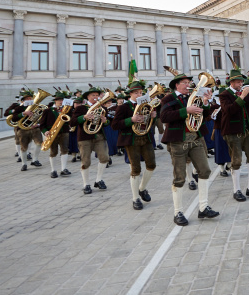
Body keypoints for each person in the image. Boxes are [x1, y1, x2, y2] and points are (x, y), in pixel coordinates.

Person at [160, 67, 219, 226]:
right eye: (185, 83)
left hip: (196, 138)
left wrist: (205, 102)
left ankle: (203, 207)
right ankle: (178, 212)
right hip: (178, 141)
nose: (188, 85)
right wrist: (186, 110)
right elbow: (164, 116)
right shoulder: (168, 98)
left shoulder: (193, 97)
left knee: (205, 170)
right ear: (177, 85)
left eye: (189, 82)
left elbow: (204, 117)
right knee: (179, 177)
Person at [218, 67, 249, 202]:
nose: (241, 84)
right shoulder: (224, 94)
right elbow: (229, 110)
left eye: (241, 81)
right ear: (231, 83)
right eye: (238, 82)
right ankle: (236, 189)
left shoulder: (245, 92)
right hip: (232, 132)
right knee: (236, 160)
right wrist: (243, 96)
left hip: (248, 130)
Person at [111, 81, 157, 210]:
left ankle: (142, 188)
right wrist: (131, 120)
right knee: (136, 169)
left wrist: (153, 116)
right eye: (136, 93)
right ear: (130, 94)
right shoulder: (124, 107)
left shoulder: (146, 105)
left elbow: (148, 122)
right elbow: (115, 125)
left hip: (145, 137)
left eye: (141, 93)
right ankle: (135, 198)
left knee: (151, 165)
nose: (139, 95)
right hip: (131, 140)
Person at [71, 86, 110, 194]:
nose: (96, 97)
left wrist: (105, 121)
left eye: (97, 95)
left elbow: (107, 123)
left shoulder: (102, 108)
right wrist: (84, 117)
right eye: (93, 95)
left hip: (99, 136)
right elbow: (72, 122)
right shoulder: (81, 108)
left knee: (104, 157)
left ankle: (98, 179)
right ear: (88, 97)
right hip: (84, 137)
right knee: (85, 161)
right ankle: (86, 184)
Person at [39, 90, 73, 178]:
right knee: (53, 152)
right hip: (52, 133)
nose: (61, 102)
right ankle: (53, 170)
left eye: (62, 100)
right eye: (59, 100)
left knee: (65, 150)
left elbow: (71, 119)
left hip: (64, 132)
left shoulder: (67, 110)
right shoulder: (47, 110)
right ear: (55, 101)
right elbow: (42, 125)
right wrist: (45, 131)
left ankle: (63, 169)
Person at [10, 89, 44, 171]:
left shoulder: (37, 107)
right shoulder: (19, 108)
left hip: (35, 128)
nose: (29, 99)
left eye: (30, 98)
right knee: (24, 147)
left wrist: (38, 124)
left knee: (39, 143)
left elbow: (42, 117)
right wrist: (23, 113)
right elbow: (14, 118)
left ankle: (35, 159)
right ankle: (24, 164)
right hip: (23, 129)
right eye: (27, 98)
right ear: (23, 100)